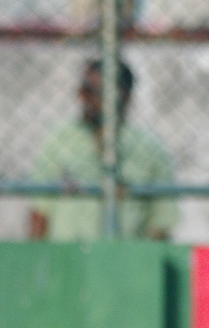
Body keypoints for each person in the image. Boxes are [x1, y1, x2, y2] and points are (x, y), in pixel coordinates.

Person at [29, 59, 177, 241]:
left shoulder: (149, 149)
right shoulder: (60, 141)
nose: (82, 97)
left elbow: (160, 224)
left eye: (92, 91)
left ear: (124, 95)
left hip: (125, 260)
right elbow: (40, 213)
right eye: (83, 89)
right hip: (67, 260)